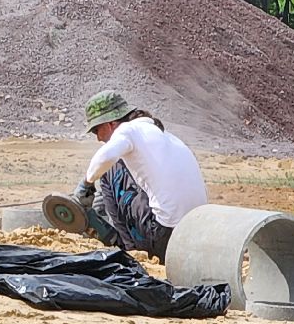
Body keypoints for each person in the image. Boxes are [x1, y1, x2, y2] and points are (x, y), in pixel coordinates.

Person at [69, 90, 208, 263]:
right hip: (196, 231)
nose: (98, 138)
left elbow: (104, 157)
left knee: (109, 172)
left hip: (164, 235)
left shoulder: (127, 131)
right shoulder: (162, 135)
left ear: (111, 124)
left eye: (97, 130)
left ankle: (128, 248)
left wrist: (86, 185)